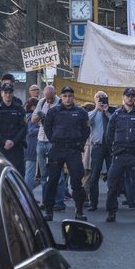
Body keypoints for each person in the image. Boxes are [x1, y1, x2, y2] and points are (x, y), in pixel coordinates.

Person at [104, 87, 135, 223]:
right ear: (123, 97)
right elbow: (109, 135)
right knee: (112, 185)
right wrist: (113, 150)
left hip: (134, 155)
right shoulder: (117, 115)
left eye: (132, 96)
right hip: (118, 155)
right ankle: (111, 212)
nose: (130, 98)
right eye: (127, 96)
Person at [42, 85, 90, 220]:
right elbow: (47, 127)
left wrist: (80, 144)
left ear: (73, 97)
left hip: (73, 150)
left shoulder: (81, 112)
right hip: (57, 149)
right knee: (52, 181)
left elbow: (86, 130)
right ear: (61, 97)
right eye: (65, 96)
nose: (67, 99)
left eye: (70, 96)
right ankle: (48, 211)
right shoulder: (53, 112)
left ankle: (79, 211)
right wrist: (53, 140)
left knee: (76, 182)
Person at [34, 86, 67, 211]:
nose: (48, 100)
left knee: (58, 174)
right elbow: (33, 119)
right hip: (41, 140)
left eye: (51, 98)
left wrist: (49, 117)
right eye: (47, 98)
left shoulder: (60, 103)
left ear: (55, 94)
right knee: (44, 174)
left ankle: (59, 202)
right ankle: (45, 201)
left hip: (54, 141)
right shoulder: (41, 102)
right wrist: (39, 116)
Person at [85, 91, 114, 211]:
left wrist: (106, 112)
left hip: (110, 147)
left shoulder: (112, 112)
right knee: (94, 176)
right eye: (98, 98)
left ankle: (111, 203)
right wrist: (97, 109)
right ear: (94, 100)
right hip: (97, 147)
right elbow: (86, 122)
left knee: (112, 176)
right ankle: (93, 203)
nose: (101, 100)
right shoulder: (91, 113)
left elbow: (115, 123)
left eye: (103, 98)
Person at [0, 83, 27, 172]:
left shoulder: (19, 109)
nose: (8, 95)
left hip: (16, 147)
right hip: (2, 147)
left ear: (13, 93)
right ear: (1, 94)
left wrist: (13, 141)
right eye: (5, 92)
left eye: (10, 92)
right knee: (1, 173)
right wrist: (4, 141)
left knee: (18, 174)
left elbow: (24, 128)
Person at [24, 97, 41, 194]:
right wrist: (42, 129)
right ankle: (28, 195)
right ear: (34, 107)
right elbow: (31, 130)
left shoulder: (26, 115)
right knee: (30, 173)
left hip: (27, 146)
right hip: (32, 146)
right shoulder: (31, 117)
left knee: (28, 172)